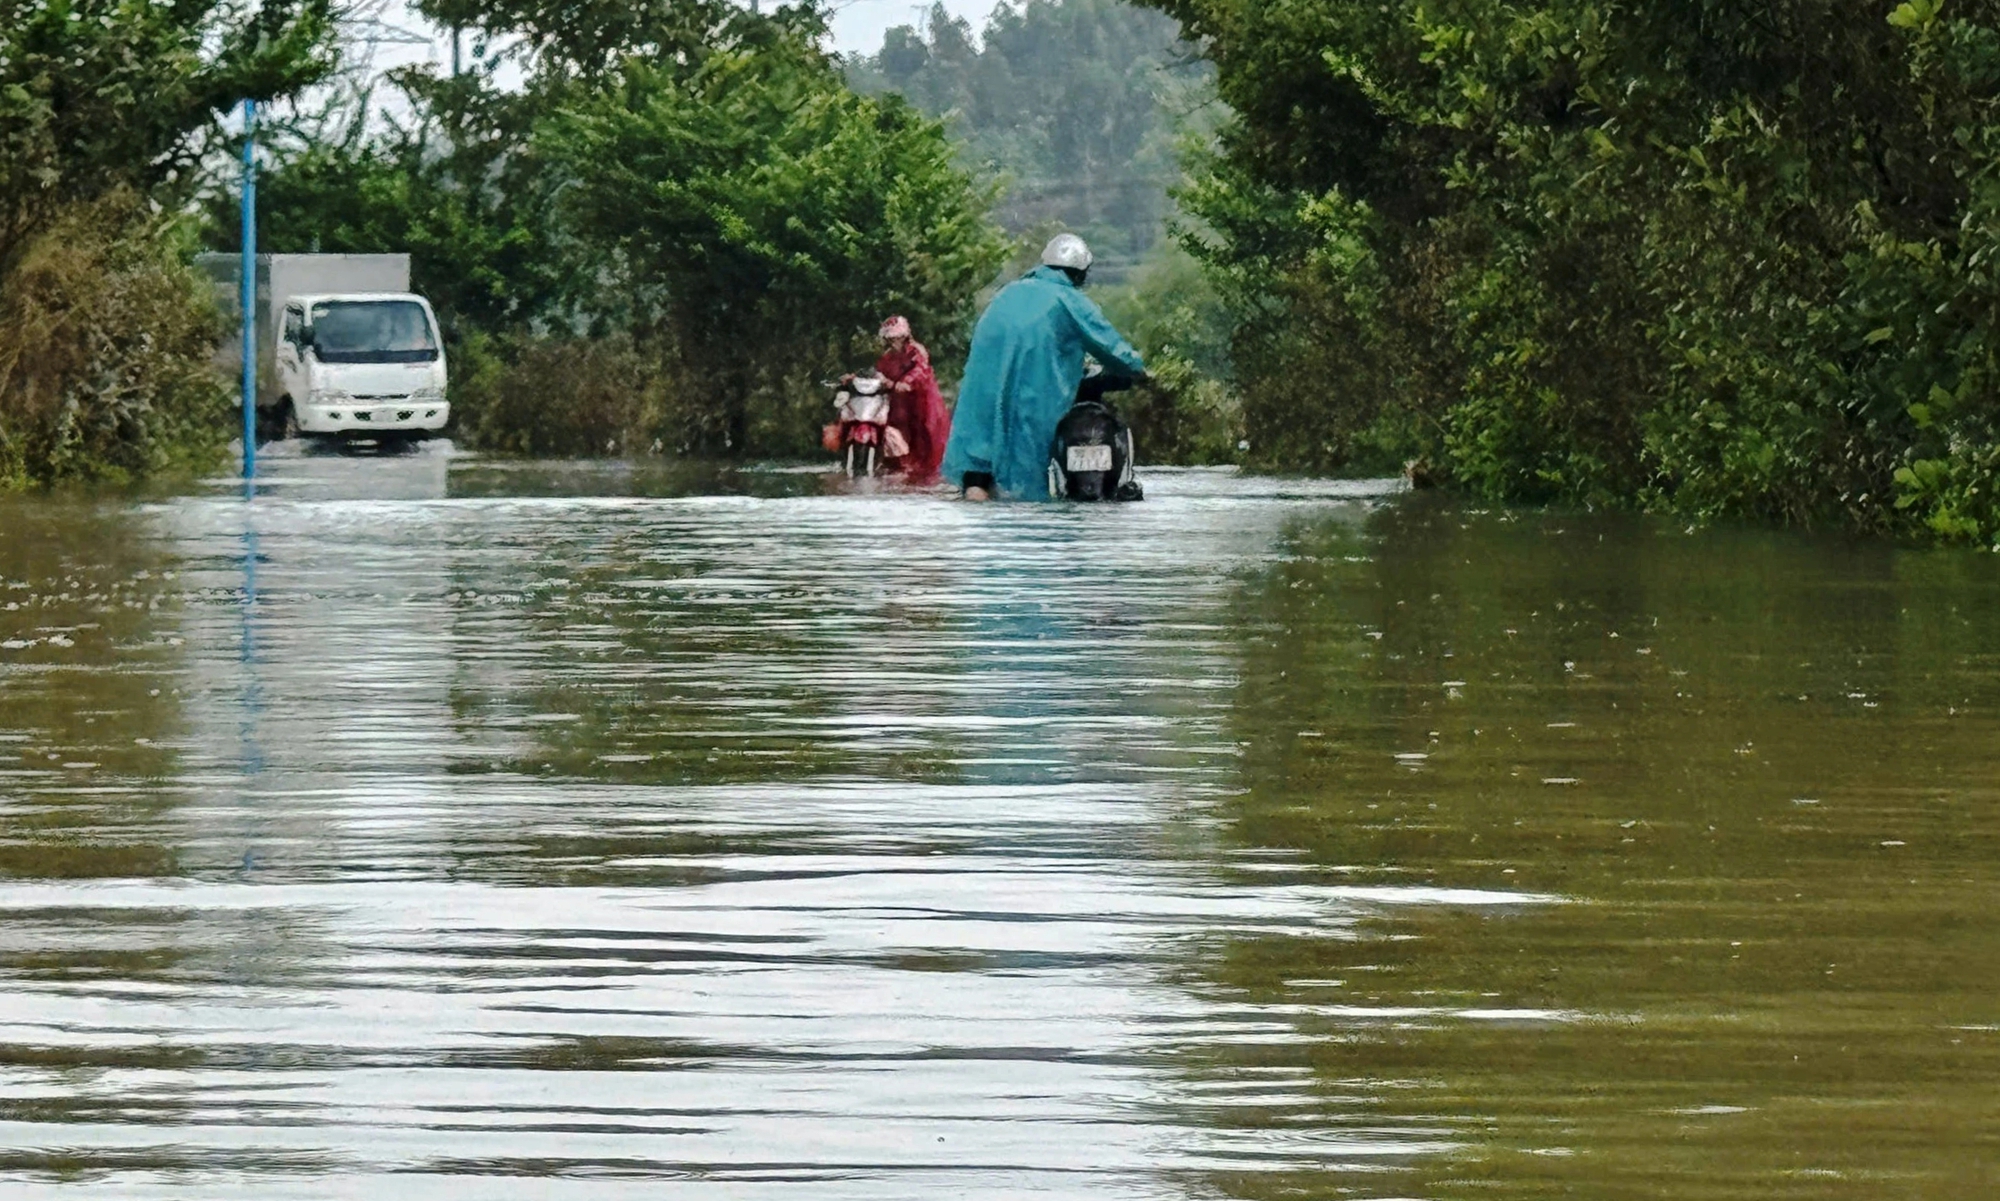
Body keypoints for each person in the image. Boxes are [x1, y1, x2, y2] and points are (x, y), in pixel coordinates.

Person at [941, 233, 1145, 500]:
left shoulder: (1006, 294)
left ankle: (977, 500)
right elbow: (1110, 346)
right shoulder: (1069, 299)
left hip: (984, 390)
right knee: (1031, 462)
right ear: (1080, 273)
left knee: (979, 468)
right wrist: (1137, 368)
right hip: (1032, 391)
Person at [874, 315, 948, 484]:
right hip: (899, 404)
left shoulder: (917, 351)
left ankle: (929, 476)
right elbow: (879, 372)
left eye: (897, 337)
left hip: (923, 402)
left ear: (905, 335)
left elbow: (920, 370)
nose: (894, 341)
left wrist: (905, 382)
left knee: (927, 436)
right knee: (897, 432)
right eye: (890, 338)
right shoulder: (887, 357)